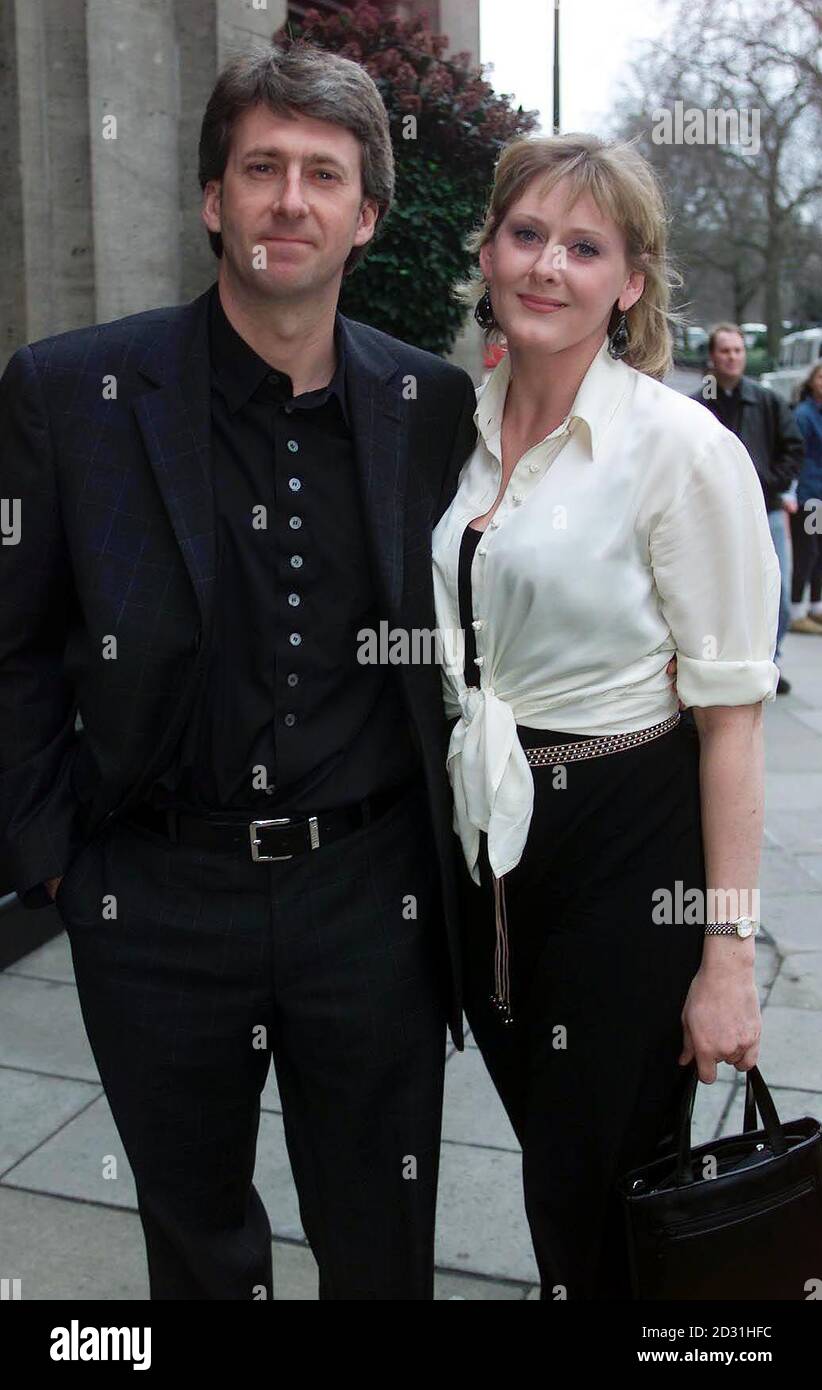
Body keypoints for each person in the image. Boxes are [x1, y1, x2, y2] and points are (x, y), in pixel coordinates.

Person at [0, 42, 480, 1300]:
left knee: (383, 1244)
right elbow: (10, 645)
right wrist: (55, 854)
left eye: (323, 174)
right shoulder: (71, 392)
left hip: (370, 899)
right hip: (153, 894)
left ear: (366, 214)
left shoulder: (432, 407)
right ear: (213, 198)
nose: (289, 199)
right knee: (199, 1245)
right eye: (260, 166)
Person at [432, 133, 781, 1301]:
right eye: (526, 234)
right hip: (489, 850)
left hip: (626, 847)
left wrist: (726, 952)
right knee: (559, 1171)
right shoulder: (461, 429)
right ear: (487, 251)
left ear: (631, 282)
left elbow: (734, 721)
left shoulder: (679, 449)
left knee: (608, 1179)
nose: (547, 265)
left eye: (585, 247)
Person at [691, 323, 804, 691]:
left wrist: (770, 482)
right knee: (719, 591)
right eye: (725, 351)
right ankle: (726, 666)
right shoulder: (698, 404)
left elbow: (793, 447)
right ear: (712, 356)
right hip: (715, 513)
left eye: (738, 350)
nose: (733, 357)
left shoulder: (766, 400)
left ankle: (770, 662)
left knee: (779, 595)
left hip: (766, 509)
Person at [788, 363, 822, 634]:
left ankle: (816, 606)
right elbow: (796, 456)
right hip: (809, 496)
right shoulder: (804, 415)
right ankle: (797, 609)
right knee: (807, 552)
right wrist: (790, 493)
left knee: (819, 553)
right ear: (811, 382)